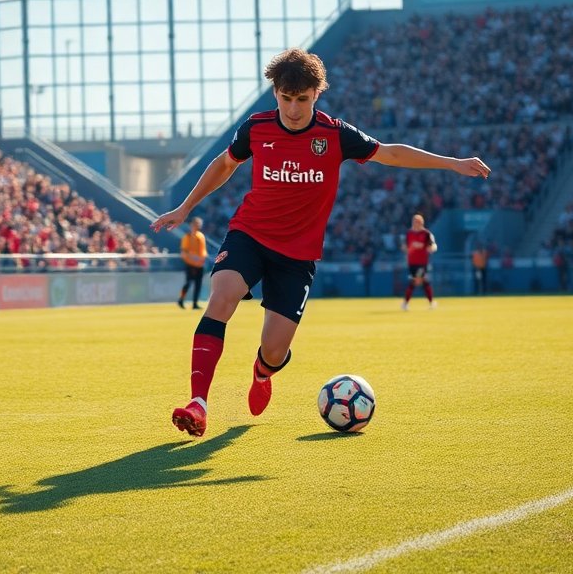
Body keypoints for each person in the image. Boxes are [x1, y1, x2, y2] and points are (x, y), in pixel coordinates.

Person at [152, 48, 490, 438]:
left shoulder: (336, 135)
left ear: (316, 94)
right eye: (285, 98)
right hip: (250, 234)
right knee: (221, 297)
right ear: (275, 93)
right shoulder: (256, 128)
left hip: (297, 255)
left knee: (274, 351)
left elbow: (390, 153)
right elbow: (225, 164)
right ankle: (198, 403)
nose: (293, 109)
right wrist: (185, 207)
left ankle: (262, 372)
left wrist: (452, 162)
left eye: (302, 99)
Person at [401, 214, 438, 310]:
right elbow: (405, 246)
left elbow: (434, 245)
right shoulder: (409, 233)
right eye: (414, 222)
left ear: (422, 223)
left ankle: (405, 304)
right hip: (411, 262)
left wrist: (431, 248)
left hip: (422, 262)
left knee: (416, 280)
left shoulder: (426, 234)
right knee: (421, 281)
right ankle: (431, 302)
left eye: (417, 222)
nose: (415, 224)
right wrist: (407, 249)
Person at [177, 217, 207, 310]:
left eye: (199, 224)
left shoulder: (201, 236)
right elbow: (184, 252)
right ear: (191, 225)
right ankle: (181, 299)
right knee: (188, 283)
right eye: (196, 224)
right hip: (190, 264)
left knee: (198, 284)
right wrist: (192, 258)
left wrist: (202, 258)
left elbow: (203, 251)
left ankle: (195, 303)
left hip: (200, 264)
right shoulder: (187, 237)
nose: (197, 226)